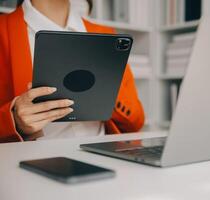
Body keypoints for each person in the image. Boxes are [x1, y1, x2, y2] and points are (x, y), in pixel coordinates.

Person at [0, 0, 145, 143]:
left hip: (102, 153)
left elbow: (135, 122)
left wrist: (108, 87)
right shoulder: (4, 31)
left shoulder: (104, 34)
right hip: (34, 159)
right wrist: (13, 121)